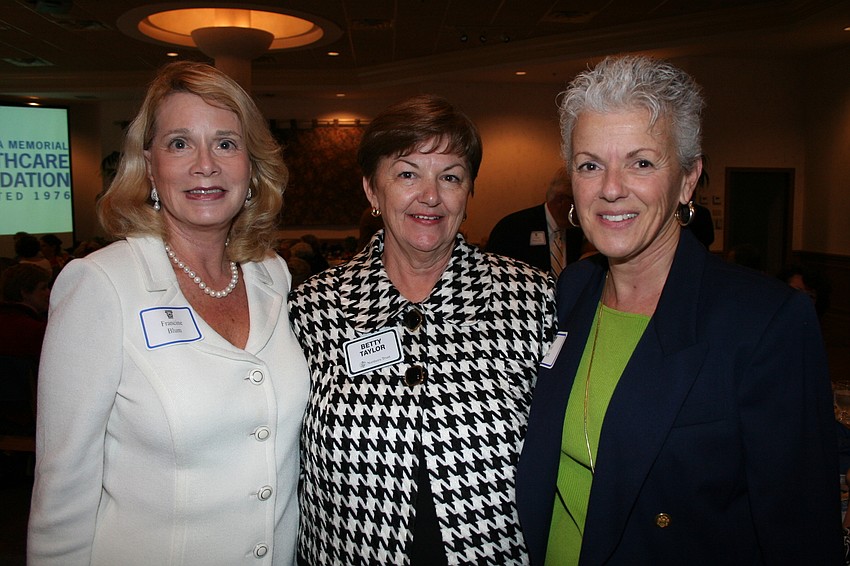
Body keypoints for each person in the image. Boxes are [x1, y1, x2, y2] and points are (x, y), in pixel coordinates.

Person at [516, 55, 840, 565]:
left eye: (641, 162)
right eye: (590, 164)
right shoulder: (571, 290)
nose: (611, 187)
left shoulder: (764, 322)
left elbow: (802, 535)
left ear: (688, 180)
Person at [28, 61, 310, 565]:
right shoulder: (101, 285)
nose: (206, 164)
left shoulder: (273, 275)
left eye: (226, 143)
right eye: (180, 143)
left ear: (252, 165)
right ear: (149, 165)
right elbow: (62, 488)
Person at [289, 94, 557, 565]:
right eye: (407, 173)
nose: (430, 196)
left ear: (469, 191)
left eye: (450, 176)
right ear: (373, 191)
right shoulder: (314, 307)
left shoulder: (531, 298)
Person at [486, 167, 584, 275]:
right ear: (560, 200)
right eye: (579, 203)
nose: (584, 210)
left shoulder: (577, 233)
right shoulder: (512, 229)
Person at [0, 263, 50, 435]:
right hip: (28, 417)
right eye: (42, 288)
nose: (48, 293)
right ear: (24, 292)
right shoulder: (38, 332)